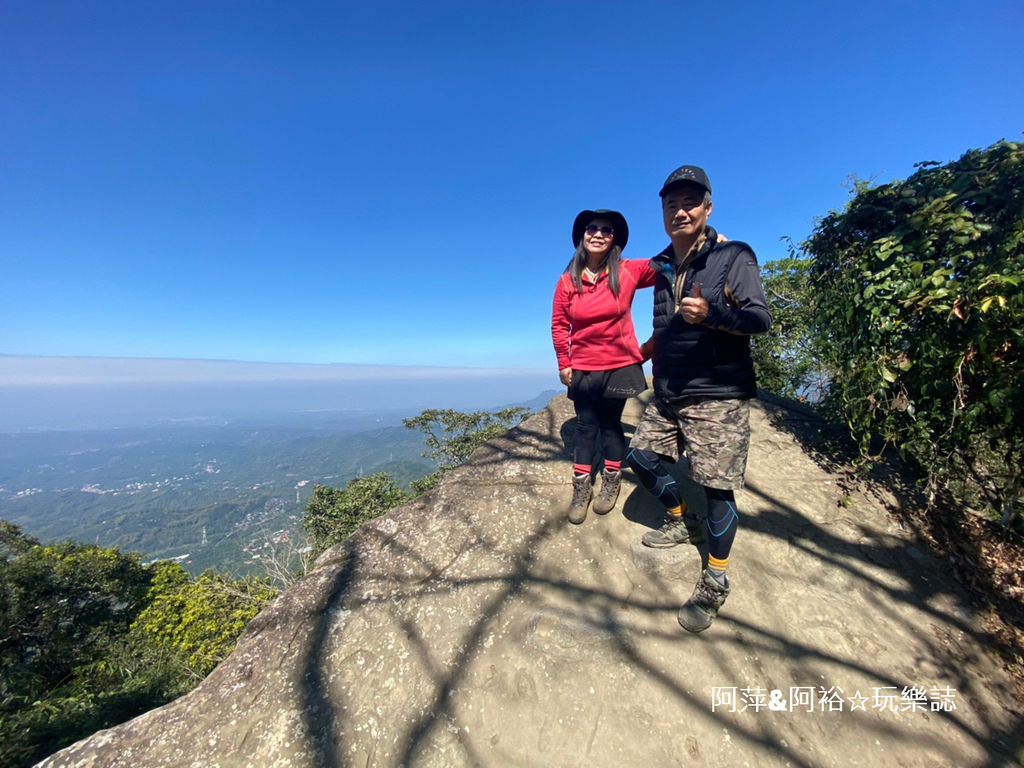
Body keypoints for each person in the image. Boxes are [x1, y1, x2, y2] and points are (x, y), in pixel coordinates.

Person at [626, 165, 772, 632]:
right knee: (641, 457)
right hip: (670, 389)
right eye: (672, 204)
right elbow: (658, 319)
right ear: (663, 213)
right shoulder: (661, 264)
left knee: (717, 487)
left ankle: (716, 580)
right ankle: (679, 518)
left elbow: (760, 319)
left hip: (717, 394)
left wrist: (715, 315)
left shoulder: (733, 256)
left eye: (690, 202)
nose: (680, 210)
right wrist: (640, 354)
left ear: (708, 207)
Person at [551, 209, 655, 524]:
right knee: (585, 427)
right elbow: (559, 324)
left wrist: (708, 241)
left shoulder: (628, 271)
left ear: (615, 239)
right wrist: (563, 363)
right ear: (582, 236)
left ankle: (611, 478)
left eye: (606, 230)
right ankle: (581, 487)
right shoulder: (568, 280)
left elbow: (673, 261)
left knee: (610, 424)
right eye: (591, 228)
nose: (598, 234)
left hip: (620, 364)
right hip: (583, 366)